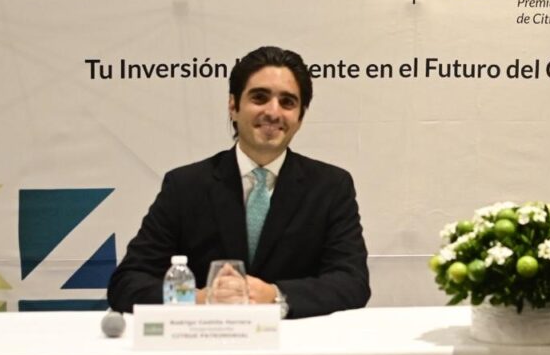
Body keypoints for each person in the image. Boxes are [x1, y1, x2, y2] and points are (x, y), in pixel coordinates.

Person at [108, 46, 371, 317]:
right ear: (233, 106)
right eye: (259, 97)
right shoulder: (185, 186)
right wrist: (200, 298)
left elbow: (352, 283)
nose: (273, 112)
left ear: (300, 117)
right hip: (208, 339)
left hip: (296, 341)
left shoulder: (331, 187)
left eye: (287, 102)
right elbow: (127, 283)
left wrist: (275, 295)